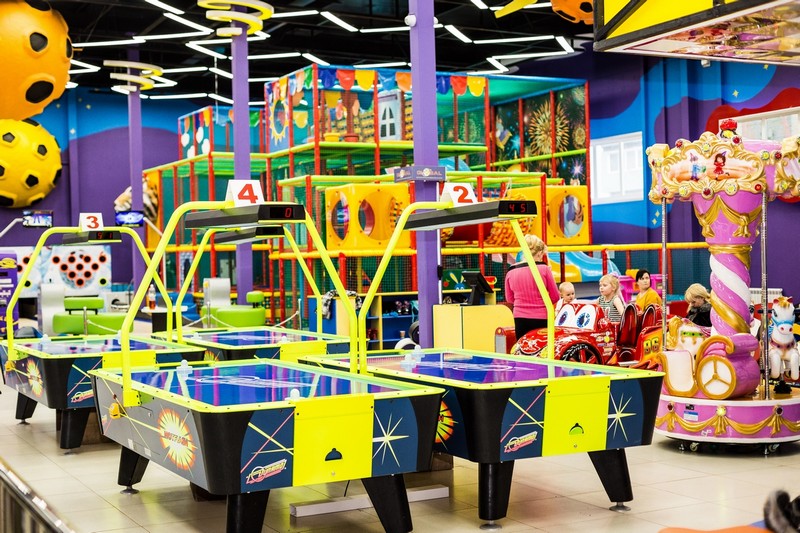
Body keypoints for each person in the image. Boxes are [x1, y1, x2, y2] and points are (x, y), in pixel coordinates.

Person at [504, 234, 559, 339]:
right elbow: (555, 296)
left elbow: (509, 299)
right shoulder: (544, 269)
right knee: (542, 346)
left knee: (523, 345)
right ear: (539, 253)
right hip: (541, 316)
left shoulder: (511, 271)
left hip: (520, 317)